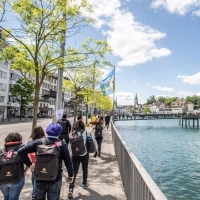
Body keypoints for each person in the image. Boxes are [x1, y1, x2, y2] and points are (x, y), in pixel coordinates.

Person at [18, 123, 74, 200]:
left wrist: (29, 164)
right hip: (55, 178)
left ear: (47, 131)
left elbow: (20, 152)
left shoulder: (39, 142)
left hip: (39, 177)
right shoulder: (62, 144)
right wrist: (70, 174)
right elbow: (68, 161)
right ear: (59, 132)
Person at [68, 120, 98, 198]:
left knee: (74, 172)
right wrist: (97, 150)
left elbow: (69, 146)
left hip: (74, 155)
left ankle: (71, 189)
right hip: (84, 154)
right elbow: (94, 141)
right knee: (85, 169)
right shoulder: (86, 133)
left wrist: (68, 154)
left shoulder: (73, 134)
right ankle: (84, 184)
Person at [0, 132, 26, 200]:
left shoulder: (2, 150)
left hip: (2, 180)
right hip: (16, 179)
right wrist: (25, 171)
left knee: (6, 197)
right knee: (13, 198)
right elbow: (28, 162)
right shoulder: (21, 149)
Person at [26, 126, 46, 200]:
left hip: (32, 162)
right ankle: (37, 193)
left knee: (34, 177)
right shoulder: (44, 140)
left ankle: (34, 193)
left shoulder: (30, 140)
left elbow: (24, 151)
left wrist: (28, 164)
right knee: (39, 177)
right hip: (42, 162)